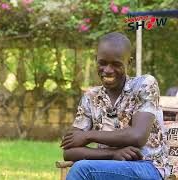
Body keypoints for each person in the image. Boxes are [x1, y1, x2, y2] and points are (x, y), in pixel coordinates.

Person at [61, 32, 169, 180]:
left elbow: (137, 137)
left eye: (116, 64)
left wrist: (87, 136)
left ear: (129, 63)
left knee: (82, 170)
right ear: (95, 60)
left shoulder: (144, 85)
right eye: (103, 63)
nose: (108, 70)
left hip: (148, 167)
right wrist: (112, 154)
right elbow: (69, 151)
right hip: (107, 168)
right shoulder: (91, 97)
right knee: (83, 169)